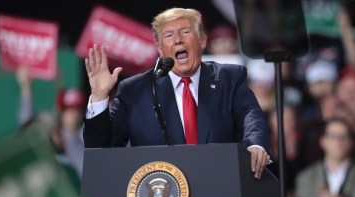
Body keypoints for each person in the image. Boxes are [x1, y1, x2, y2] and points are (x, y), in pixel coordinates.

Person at [83, 7, 271, 179]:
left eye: (185, 32)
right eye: (169, 35)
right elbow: (102, 152)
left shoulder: (229, 78)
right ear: (159, 48)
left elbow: (250, 115)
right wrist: (99, 96)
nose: (178, 40)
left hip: (220, 185)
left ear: (202, 41)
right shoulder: (135, 91)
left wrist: (256, 145)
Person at [292, 118, 355, 197]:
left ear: (352, 142)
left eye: (344, 136)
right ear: (323, 141)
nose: (338, 142)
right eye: (333, 136)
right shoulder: (306, 177)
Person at [16, 66, 86, 180]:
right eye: (69, 109)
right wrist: (26, 86)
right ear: (60, 109)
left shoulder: (85, 134)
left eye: (77, 109)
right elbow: (26, 123)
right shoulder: (51, 130)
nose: (74, 114)